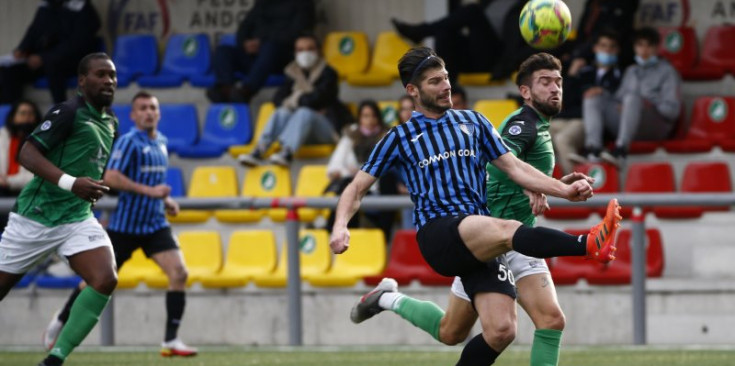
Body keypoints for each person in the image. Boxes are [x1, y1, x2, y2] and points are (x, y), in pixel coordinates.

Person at [330, 47, 621, 366]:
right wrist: (340, 225)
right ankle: (589, 243)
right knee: (507, 229)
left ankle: (387, 297)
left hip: (477, 237)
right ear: (412, 90)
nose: (445, 86)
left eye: (445, 78)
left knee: (495, 331)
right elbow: (355, 188)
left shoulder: (474, 122)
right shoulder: (400, 137)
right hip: (438, 232)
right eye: (434, 82)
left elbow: (515, 168)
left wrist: (563, 190)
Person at [42, 91, 197, 358]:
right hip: (124, 227)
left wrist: (167, 199)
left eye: (152, 107)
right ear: (134, 115)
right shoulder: (128, 142)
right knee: (95, 281)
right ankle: (62, 318)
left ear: (159, 113)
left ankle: (171, 340)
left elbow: (153, 182)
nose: (148, 112)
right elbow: (112, 177)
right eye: (143, 108)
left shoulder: (161, 141)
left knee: (179, 273)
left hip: (154, 225)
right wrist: (151, 193)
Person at [0, 52, 117, 366]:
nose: (108, 81)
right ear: (82, 81)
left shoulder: (110, 122)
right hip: (35, 217)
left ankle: (54, 360)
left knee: (105, 278)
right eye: (100, 74)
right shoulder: (67, 112)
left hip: (76, 218)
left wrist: (92, 188)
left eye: (112, 76)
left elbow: (88, 165)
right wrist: (71, 183)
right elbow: (27, 154)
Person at [237, 34, 350, 167]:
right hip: (301, 131)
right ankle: (259, 150)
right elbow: (277, 99)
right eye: (300, 50)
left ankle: (287, 152)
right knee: (282, 112)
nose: (305, 53)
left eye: (310, 49)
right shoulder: (292, 72)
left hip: (327, 130)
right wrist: (300, 100)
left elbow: (318, 98)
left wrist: (295, 99)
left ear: (318, 50)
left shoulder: (329, 73)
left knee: (304, 112)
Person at [578, 27, 681, 167]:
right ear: (635, 48)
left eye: (649, 46)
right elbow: (618, 100)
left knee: (632, 98)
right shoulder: (631, 70)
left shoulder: (667, 71)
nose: (644, 51)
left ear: (657, 48)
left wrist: (647, 100)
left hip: (655, 126)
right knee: (593, 97)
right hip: (629, 124)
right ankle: (593, 149)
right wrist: (602, 92)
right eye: (640, 45)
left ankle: (621, 150)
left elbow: (672, 112)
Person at [391, 0, 532, 82]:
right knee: (444, 33)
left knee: (472, 11)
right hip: (474, 53)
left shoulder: (526, 5)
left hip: (493, 59)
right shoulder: (489, 2)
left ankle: (421, 31)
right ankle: (446, 83)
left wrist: (505, 67)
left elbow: (517, 44)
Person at [206, 0, 315, 103]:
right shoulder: (263, 3)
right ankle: (226, 88)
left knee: (270, 48)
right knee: (223, 51)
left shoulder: (303, 3)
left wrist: (262, 42)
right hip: (255, 56)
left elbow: (296, 33)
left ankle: (246, 91)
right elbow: (244, 27)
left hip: (280, 58)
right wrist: (244, 43)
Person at [0, 0, 101, 104]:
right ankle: (11, 112)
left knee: (53, 65)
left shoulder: (82, 6)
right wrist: (22, 49)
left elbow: (78, 43)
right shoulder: (47, 4)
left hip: (72, 60)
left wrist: (44, 58)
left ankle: (60, 111)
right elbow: (35, 29)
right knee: (9, 70)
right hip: (45, 58)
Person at [325, 100, 392, 240]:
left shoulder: (387, 136)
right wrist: (349, 173)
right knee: (348, 187)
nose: (370, 120)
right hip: (354, 186)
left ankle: (332, 230)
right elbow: (335, 166)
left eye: (373, 116)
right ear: (359, 118)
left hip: (377, 188)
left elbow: (390, 168)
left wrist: (362, 173)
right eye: (365, 116)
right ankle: (339, 233)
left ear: (378, 117)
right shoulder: (350, 135)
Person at [557, 30, 623, 172]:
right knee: (531, 133)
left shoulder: (621, 76)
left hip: (587, 123)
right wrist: (573, 74)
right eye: (603, 46)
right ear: (595, 48)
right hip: (569, 118)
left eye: (611, 47)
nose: (607, 50)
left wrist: (603, 93)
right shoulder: (584, 71)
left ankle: (576, 187)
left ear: (617, 50)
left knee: (562, 139)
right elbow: (564, 101)